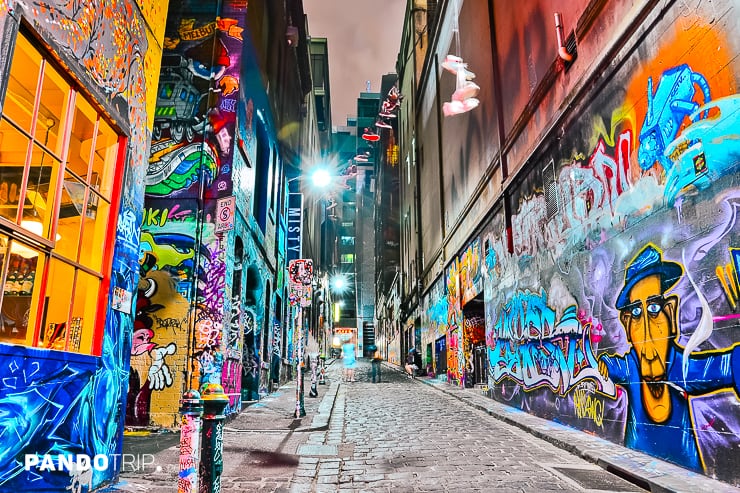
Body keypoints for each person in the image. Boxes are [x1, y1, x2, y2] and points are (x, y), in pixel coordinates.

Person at [599, 244, 740, 472]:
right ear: (626, 323)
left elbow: (728, 365)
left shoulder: (682, 369)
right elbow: (604, 365)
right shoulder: (630, 367)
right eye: (636, 313)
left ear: (671, 314)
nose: (646, 329)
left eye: (654, 308)